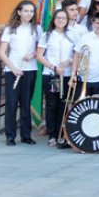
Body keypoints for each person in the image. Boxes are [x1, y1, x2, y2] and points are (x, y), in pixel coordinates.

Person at [0, 0, 40, 146]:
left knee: (26, 103)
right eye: (26, 11)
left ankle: (26, 135)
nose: (29, 14)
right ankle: (10, 136)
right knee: (11, 103)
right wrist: (14, 68)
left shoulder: (36, 29)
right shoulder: (10, 29)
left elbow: (41, 49)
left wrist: (33, 54)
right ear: (19, 12)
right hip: (13, 71)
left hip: (30, 70)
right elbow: (2, 53)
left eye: (31, 11)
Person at [36, 8, 75, 148]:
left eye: (63, 18)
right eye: (58, 18)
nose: (61, 20)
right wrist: (53, 67)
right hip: (51, 75)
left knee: (64, 104)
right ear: (54, 20)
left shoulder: (71, 36)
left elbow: (76, 55)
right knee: (52, 104)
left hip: (66, 75)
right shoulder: (47, 35)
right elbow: (39, 56)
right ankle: (52, 134)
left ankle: (62, 133)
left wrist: (69, 61)